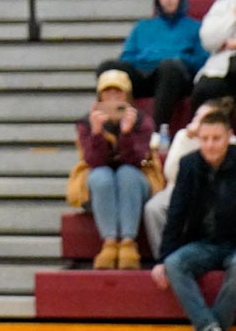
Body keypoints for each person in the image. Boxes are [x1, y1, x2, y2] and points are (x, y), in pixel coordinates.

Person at [152, 109, 236, 331]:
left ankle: (210, 325)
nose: (210, 145)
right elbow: (176, 213)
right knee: (173, 263)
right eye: (205, 139)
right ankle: (209, 326)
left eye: (216, 139)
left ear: (229, 136)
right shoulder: (189, 164)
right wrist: (162, 258)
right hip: (204, 243)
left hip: (234, 245)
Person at [98, 0, 207, 129]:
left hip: (174, 77)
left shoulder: (195, 27)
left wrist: (177, 58)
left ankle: (156, 131)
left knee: (169, 67)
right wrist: (148, 60)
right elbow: (127, 57)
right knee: (108, 68)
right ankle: (109, 128)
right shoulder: (142, 27)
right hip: (144, 73)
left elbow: (201, 60)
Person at [76, 69, 155, 269]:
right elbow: (94, 161)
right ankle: (110, 242)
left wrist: (127, 133)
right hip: (101, 181)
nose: (112, 98)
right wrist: (96, 133)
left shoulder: (142, 121)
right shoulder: (86, 123)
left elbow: (136, 161)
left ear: (127, 96)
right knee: (101, 176)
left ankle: (128, 241)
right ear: (99, 97)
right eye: (107, 93)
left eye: (118, 93)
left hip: (135, 179)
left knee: (126, 173)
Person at [145, 98, 235, 261]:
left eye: (203, 118)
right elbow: (171, 172)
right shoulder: (183, 137)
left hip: (215, 204)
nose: (197, 122)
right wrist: (190, 140)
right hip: (177, 186)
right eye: (196, 117)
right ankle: (164, 256)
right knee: (154, 208)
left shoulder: (231, 143)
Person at [196, 0, 236, 105]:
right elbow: (208, 40)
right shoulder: (223, 6)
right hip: (221, 69)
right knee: (205, 90)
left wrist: (233, 43)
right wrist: (232, 15)